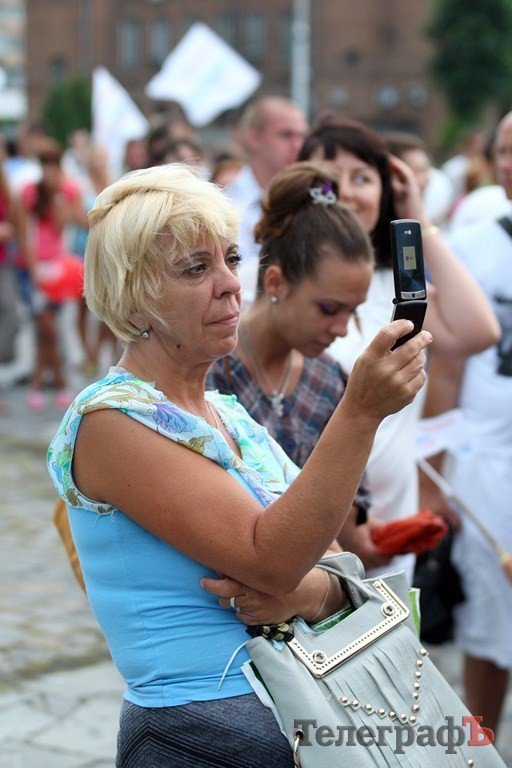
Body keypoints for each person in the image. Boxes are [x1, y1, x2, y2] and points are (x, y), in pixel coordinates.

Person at [47, 163, 431, 767]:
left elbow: (335, 560)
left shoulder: (227, 412)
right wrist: (359, 412)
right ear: (133, 297)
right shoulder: (110, 421)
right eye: (195, 268)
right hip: (200, 732)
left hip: (299, 706)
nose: (230, 283)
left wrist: (303, 593)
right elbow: (274, 557)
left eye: (229, 259)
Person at [298, 118, 501, 580]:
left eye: (362, 178)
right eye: (327, 177)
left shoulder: (399, 286)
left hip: (392, 531)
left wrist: (418, 219)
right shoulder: (270, 282)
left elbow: (479, 330)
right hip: (315, 534)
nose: (346, 192)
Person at [207, 160, 386, 566]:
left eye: (353, 312)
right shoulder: (208, 371)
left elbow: (348, 527)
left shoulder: (330, 380)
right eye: (328, 308)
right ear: (276, 283)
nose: (341, 329)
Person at [420, 111, 512, 735]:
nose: (510, 163)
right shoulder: (473, 248)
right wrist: (436, 481)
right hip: (488, 464)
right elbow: (447, 369)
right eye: (504, 150)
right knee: (489, 619)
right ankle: (482, 746)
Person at [18, 138, 89, 408]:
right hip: (36, 269)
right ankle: (55, 382)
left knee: (50, 329)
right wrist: (33, 269)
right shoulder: (29, 192)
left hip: (59, 269)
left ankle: (44, 382)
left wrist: (61, 199)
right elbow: (25, 234)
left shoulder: (67, 191)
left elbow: (71, 224)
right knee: (46, 328)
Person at [225, 96, 308, 303]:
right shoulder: (223, 203)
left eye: (302, 136)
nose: (298, 145)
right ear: (254, 137)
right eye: (286, 135)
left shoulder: (311, 201)